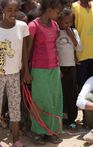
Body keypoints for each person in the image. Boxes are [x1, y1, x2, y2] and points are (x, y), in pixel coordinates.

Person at [26, 0, 65, 145]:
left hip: (54, 69)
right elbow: (27, 51)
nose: (59, 15)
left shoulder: (54, 25)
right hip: (39, 70)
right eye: (57, 12)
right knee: (41, 101)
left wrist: (58, 67)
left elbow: (54, 47)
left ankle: (50, 132)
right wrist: (26, 72)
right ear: (49, 10)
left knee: (54, 100)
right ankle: (37, 131)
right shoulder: (33, 26)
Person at [0, 0, 29, 146]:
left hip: (14, 74)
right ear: (2, 10)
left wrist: (26, 71)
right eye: (9, 9)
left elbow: (24, 50)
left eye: (15, 10)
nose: (12, 13)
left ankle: (15, 138)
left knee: (15, 107)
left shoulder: (22, 26)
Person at [56, 7, 82, 132]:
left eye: (70, 22)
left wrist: (70, 34)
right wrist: (57, 68)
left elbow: (79, 48)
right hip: (58, 67)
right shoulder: (55, 32)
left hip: (71, 67)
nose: (68, 25)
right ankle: (61, 118)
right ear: (59, 21)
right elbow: (53, 50)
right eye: (65, 22)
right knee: (60, 94)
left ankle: (72, 119)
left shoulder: (73, 31)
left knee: (71, 93)